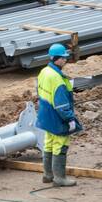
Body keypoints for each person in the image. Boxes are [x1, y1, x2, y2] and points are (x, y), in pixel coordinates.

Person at [36, 43, 81, 187]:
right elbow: (61, 104)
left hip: (45, 114)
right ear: (56, 58)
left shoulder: (44, 71)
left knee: (48, 144)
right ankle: (59, 178)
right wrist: (70, 119)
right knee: (60, 145)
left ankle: (48, 175)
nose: (65, 60)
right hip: (57, 117)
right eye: (63, 58)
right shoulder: (56, 78)